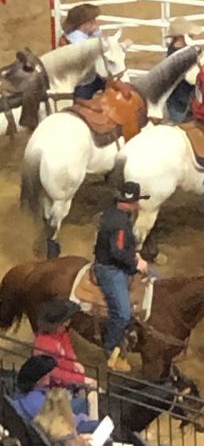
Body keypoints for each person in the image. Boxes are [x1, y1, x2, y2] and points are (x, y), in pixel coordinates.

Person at [93, 181, 149, 371]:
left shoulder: (113, 215)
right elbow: (117, 252)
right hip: (110, 269)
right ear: (133, 203)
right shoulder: (120, 224)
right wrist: (135, 263)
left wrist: (134, 254)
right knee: (123, 313)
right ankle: (110, 349)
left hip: (114, 262)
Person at [33, 299, 99, 425]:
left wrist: (75, 364)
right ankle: (90, 424)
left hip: (67, 382)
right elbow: (55, 374)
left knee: (92, 391)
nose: (68, 323)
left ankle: (89, 420)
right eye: (65, 321)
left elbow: (67, 354)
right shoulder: (45, 344)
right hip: (54, 391)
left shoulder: (61, 334)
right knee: (92, 394)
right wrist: (80, 379)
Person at [13, 355, 99, 435]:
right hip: (63, 429)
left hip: (51, 417)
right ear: (40, 378)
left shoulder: (23, 394)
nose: (49, 377)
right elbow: (60, 425)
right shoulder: (38, 403)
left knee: (81, 403)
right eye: (47, 375)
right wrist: (82, 418)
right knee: (96, 425)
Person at [59, 3, 106, 100]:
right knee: (81, 105)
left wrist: (96, 32)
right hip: (80, 82)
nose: (95, 23)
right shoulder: (76, 40)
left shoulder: (84, 36)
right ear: (84, 23)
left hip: (90, 77)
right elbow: (96, 49)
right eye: (92, 21)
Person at [163, 16, 202, 124]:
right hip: (181, 103)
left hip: (179, 100)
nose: (192, 36)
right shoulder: (178, 55)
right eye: (190, 35)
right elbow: (192, 79)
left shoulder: (173, 50)